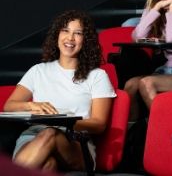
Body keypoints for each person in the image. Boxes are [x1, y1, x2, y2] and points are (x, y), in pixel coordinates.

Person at [3, 10, 116, 172]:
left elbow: (99, 124)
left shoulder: (97, 76)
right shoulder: (38, 71)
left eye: (78, 33)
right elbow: (9, 106)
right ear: (57, 35)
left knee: (50, 133)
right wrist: (32, 106)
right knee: (48, 166)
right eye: (65, 31)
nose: (70, 38)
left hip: (75, 143)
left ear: (86, 40)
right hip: (32, 137)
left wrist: (61, 123)